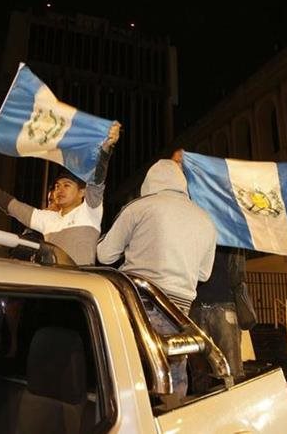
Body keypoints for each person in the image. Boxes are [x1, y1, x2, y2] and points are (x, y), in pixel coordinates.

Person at [97, 158, 216, 400]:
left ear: (149, 181)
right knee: (174, 377)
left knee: (132, 376)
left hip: (140, 302)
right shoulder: (205, 219)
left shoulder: (139, 207)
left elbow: (105, 255)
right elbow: (204, 273)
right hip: (180, 311)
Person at [0, 121, 120, 265]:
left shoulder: (89, 211)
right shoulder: (47, 218)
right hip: (52, 285)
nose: (59, 190)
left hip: (80, 287)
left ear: (82, 192)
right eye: (57, 186)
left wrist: (106, 149)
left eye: (66, 185)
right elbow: (14, 207)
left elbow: (97, 180)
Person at [189, 246, 246, 393]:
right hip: (196, 304)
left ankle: (235, 404)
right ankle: (201, 406)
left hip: (223, 302)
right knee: (198, 367)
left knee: (231, 366)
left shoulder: (229, 235)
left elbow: (238, 272)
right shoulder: (194, 230)